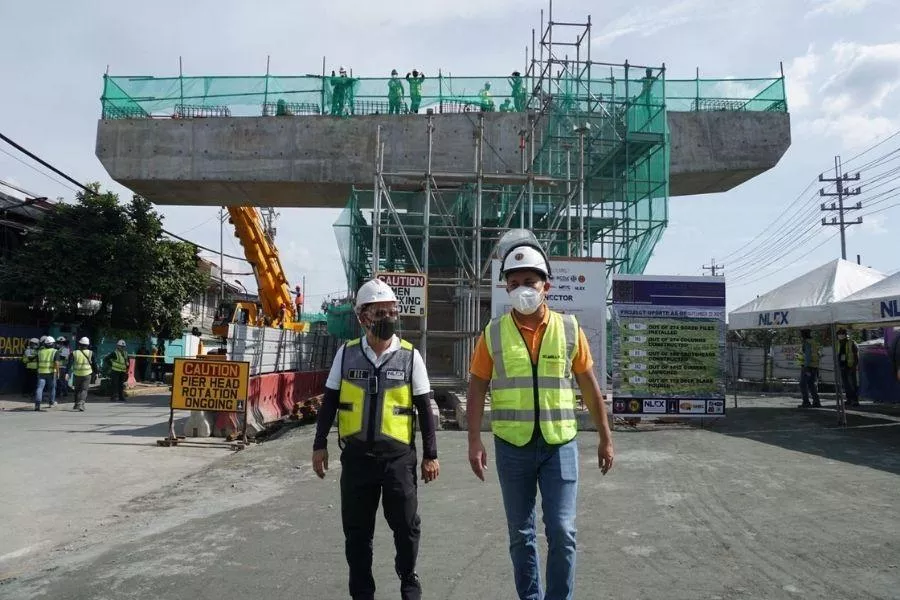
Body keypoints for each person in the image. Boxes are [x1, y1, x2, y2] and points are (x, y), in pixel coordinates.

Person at [466, 229, 614, 600]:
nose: (522, 289)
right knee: (520, 532)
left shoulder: (569, 329)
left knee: (562, 531)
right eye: (513, 283)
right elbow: (476, 387)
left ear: (546, 285)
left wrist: (606, 438)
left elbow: (589, 386)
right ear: (506, 289)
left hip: (558, 445)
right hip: (512, 447)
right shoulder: (493, 333)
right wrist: (473, 440)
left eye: (529, 281)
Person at [312, 278, 439, 600]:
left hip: (398, 460)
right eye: (378, 312)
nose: (386, 318)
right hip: (356, 459)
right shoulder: (347, 354)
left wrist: (430, 455)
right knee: (357, 534)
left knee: (407, 528)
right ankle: (362, 593)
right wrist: (319, 444)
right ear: (362, 318)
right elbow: (329, 401)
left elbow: (425, 407)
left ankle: (408, 580)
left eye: (391, 312)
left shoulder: (411, 357)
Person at [796, 329, 822, 408]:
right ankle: (816, 402)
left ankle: (806, 402)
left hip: (807, 367)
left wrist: (806, 367)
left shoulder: (807, 343)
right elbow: (818, 354)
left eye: (801, 334)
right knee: (811, 384)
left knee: (803, 384)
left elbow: (808, 356)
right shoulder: (814, 342)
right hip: (814, 366)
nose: (801, 336)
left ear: (804, 335)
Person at [70, 337, 96, 412]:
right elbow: (94, 364)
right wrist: (96, 372)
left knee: (77, 390)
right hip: (87, 374)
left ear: (79, 344)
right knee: (84, 390)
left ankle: (76, 404)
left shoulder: (74, 353)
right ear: (87, 345)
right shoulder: (91, 353)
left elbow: (69, 364)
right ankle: (81, 403)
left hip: (77, 374)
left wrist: (67, 373)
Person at [836, 328, 860, 407]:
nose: (840, 335)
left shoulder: (851, 343)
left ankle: (855, 400)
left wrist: (854, 366)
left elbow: (856, 355)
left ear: (845, 334)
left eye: (841, 333)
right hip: (843, 366)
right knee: (846, 384)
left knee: (852, 384)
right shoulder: (839, 343)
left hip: (850, 366)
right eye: (839, 334)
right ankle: (849, 399)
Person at [35, 336, 58, 411]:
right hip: (51, 373)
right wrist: (58, 372)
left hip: (41, 372)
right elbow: (56, 363)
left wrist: (38, 371)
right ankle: (51, 402)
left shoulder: (40, 352)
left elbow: (38, 363)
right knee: (52, 388)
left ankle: (37, 405)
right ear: (53, 344)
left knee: (39, 388)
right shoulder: (55, 351)